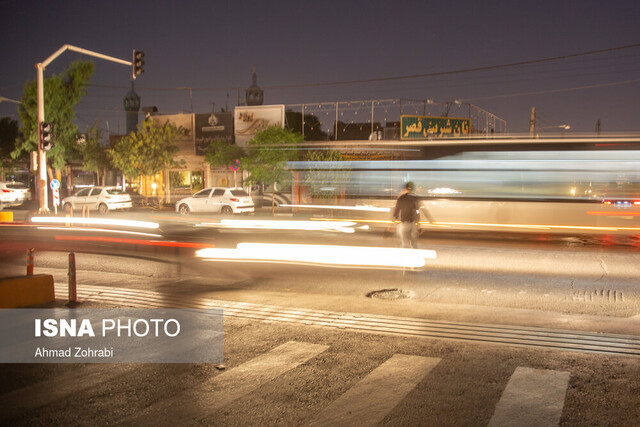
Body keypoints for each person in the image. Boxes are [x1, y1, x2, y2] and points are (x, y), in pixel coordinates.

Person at [392, 181, 421, 248]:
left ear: (406, 188)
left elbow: (396, 211)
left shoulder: (401, 198)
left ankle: (405, 253)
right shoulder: (415, 198)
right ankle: (414, 252)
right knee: (414, 243)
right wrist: (418, 222)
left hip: (404, 223)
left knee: (404, 242)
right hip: (413, 223)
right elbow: (417, 211)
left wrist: (395, 221)